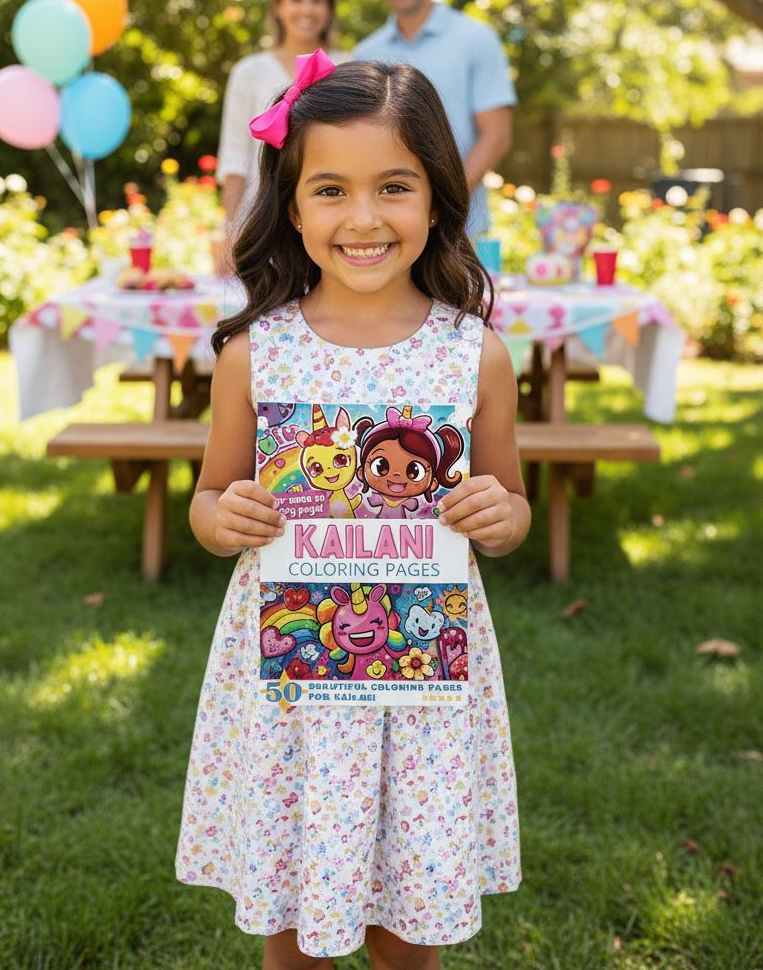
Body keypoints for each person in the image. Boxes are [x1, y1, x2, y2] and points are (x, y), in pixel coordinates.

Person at [176, 53, 529, 970]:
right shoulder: (258, 354)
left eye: (394, 187)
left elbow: (513, 502)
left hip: (422, 681)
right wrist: (224, 519)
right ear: (291, 206)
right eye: (331, 189)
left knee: (407, 918)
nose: (364, 218)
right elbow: (208, 499)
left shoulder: (474, 355)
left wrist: (500, 514)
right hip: (295, 678)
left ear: (438, 198)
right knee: (294, 915)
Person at [354, 0, 516, 237]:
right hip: (382, 231)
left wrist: (444, 200)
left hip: (459, 228)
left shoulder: (476, 39)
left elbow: (496, 135)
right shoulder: (363, 54)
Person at [216, 0, 349, 252]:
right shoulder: (248, 72)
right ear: (278, 6)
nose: (307, 10)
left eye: (317, 0)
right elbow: (235, 156)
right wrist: (230, 229)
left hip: (332, 219)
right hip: (262, 223)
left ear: (328, 9)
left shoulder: (347, 67)